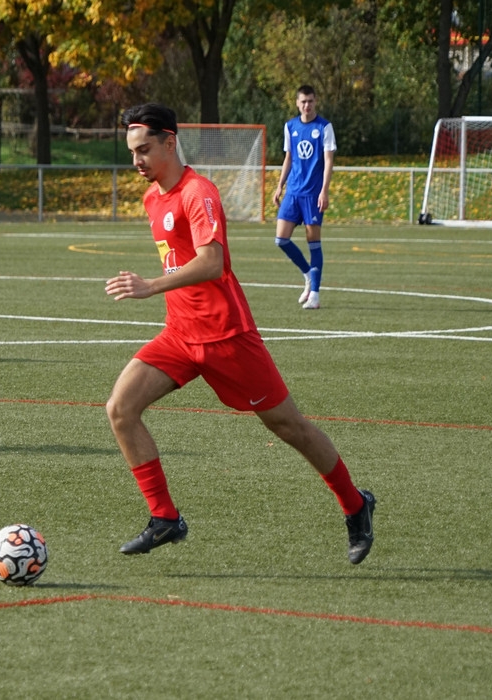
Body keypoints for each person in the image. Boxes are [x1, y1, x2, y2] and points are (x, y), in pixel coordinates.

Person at [104, 103, 374, 564]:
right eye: (132, 152)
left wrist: (150, 286)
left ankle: (355, 504)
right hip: (180, 336)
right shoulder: (153, 199)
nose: (137, 161)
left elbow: (212, 263)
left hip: (227, 337)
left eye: (144, 150)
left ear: (170, 142)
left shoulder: (198, 192)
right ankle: (165, 517)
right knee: (120, 408)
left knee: (289, 427)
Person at [273, 85, 336, 310]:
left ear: (315, 101)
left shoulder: (324, 127)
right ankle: (308, 274)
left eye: (310, 101)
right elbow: (288, 158)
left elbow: (328, 161)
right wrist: (280, 185)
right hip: (293, 192)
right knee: (281, 239)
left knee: (314, 243)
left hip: (312, 194)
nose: (307, 105)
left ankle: (315, 295)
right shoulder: (290, 126)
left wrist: (324, 190)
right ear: (297, 103)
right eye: (303, 101)